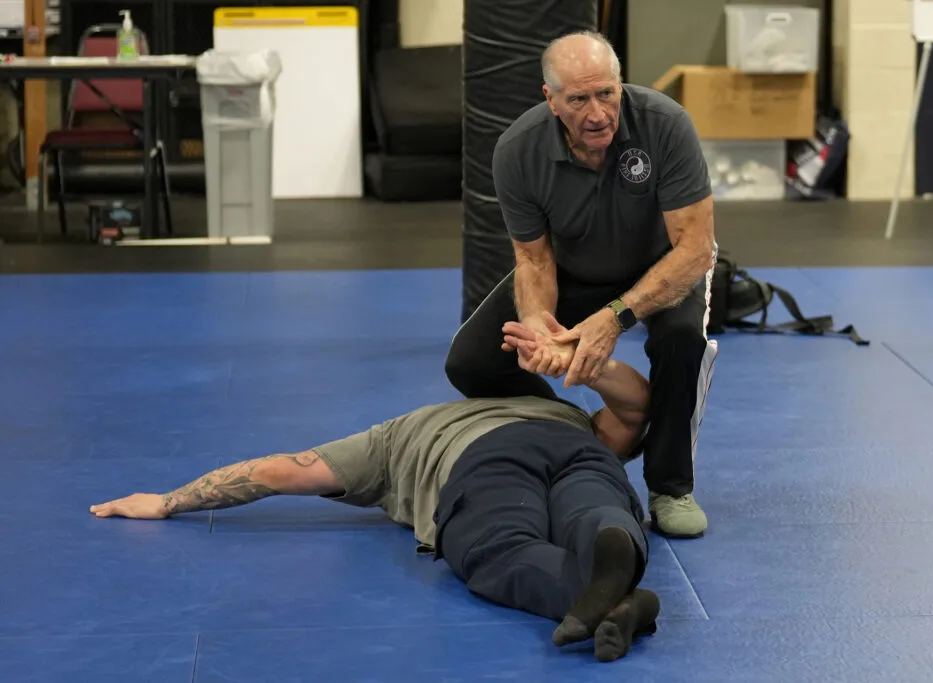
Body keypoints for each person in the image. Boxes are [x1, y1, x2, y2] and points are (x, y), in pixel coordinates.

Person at [89, 320, 659, 663]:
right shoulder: (562, 409)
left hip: (483, 461)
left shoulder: (399, 434)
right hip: (575, 446)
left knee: (499, 547)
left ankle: (601, 594)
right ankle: (611, 542)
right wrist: (587, 364)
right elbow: (638, 411)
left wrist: (170, 501)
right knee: (593, 501)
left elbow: (282, 471)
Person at [445, 30, 718, 539]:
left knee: (681, 341)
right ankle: (584, 434)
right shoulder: (518, 151)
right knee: (471, 362)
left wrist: (615, 318)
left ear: (620, 84)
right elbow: (533, 258)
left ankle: (670, 485)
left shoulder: (665, 124)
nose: (597, 114)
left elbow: (695, 249)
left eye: (606, 94)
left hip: (664, 265)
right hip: (575, 266)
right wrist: (540, 327)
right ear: (550, 99)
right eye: (578, 100)